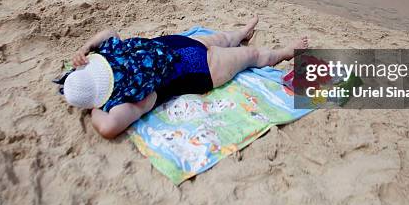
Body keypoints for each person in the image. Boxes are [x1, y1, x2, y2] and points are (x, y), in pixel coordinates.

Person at [57, 17, 309, 139]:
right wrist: (95, 106)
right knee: (250, 55)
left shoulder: (107, 55)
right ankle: (285, 53)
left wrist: (87, 48)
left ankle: (240, 32)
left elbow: (109, 32)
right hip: (199, 69)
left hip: (176, 44)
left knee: (222, 39)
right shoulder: (123, 101)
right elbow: (109, 127)